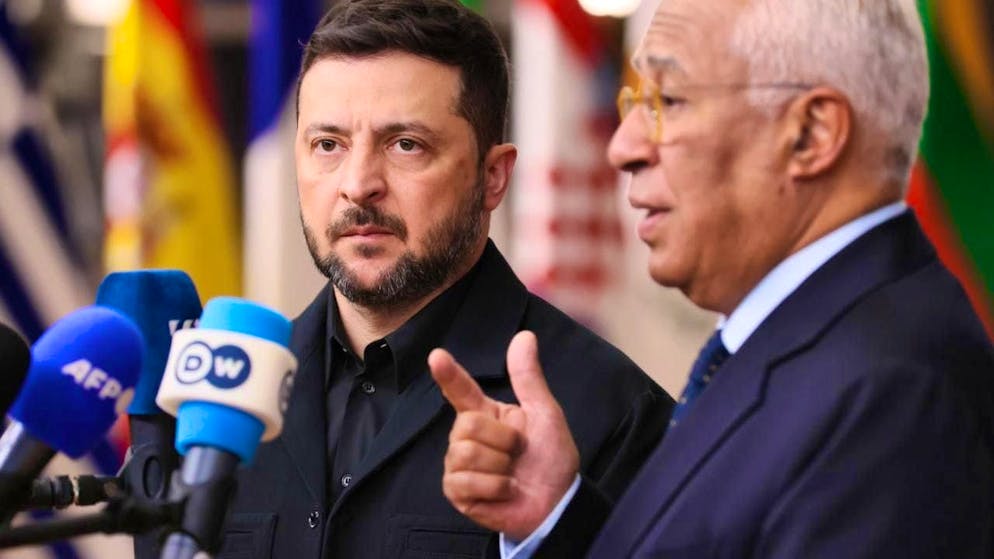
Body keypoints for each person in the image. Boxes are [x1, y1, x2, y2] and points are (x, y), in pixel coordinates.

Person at [430, 0, 994, 557]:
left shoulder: (890, 398)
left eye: (668, 101)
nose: (623, 147)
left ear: (811, 134)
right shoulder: (818, 344)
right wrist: (558, 521)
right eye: (634, 101)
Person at [207, 1, 673, 558]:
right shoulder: (225, 405)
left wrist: (555, 527)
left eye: (406, 144)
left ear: (493, 176)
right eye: (328, 145)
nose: (358, 185)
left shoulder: (614, 411)